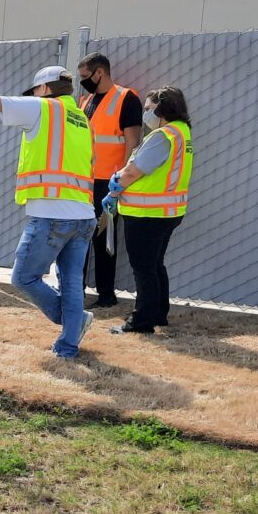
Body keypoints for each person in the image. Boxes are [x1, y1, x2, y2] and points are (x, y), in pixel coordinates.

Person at [0, 63, 96, 359]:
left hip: (52, 215)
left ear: (45, 89)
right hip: (83, 215)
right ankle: (68, 345)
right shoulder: (81, 118)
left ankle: (71, 323)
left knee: (23, 278)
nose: (34, 94)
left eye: (35, 90)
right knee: (72, 283)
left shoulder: (43, 108)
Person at [103, 86, 193, 335]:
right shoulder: (182, 133)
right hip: (167, 212)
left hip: (146, 214)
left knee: (143, 268)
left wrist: (114, 187)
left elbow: (134, 171)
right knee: (154, 265)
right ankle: (157, 314)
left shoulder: (162, 136)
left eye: (149, 108)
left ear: (163, 109)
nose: (146, 114)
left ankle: (141, 321)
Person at [77, 53, 143, 308]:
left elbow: (132, 143)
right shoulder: (86, 102)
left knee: (104, 238)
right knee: (80, 235)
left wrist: (122, 182)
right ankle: (76, 289)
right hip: (86, 180)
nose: (83, 82)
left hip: (110, 182)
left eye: (85, 77)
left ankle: (106, 295)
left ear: (99, 72)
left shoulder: (126, 99)